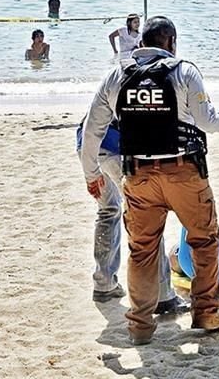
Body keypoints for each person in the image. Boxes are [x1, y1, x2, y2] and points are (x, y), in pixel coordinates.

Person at [79, 15, 219, 345]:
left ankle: (139, 324)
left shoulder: (117, 76)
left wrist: (91, 174)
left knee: (142, 250)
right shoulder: (185, 71)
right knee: (204, 240)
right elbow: (207, 122)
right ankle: (207, 313)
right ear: (171, 42)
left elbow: (92, 131)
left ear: (140, 43)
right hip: (184, 173)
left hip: (138, 175)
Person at [76, 120, 187, 315]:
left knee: (108, 210)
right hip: (114, 148)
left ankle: (104, 284)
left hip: (87, 146)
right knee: (148, 216)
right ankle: (163, 296)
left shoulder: (104, 98)